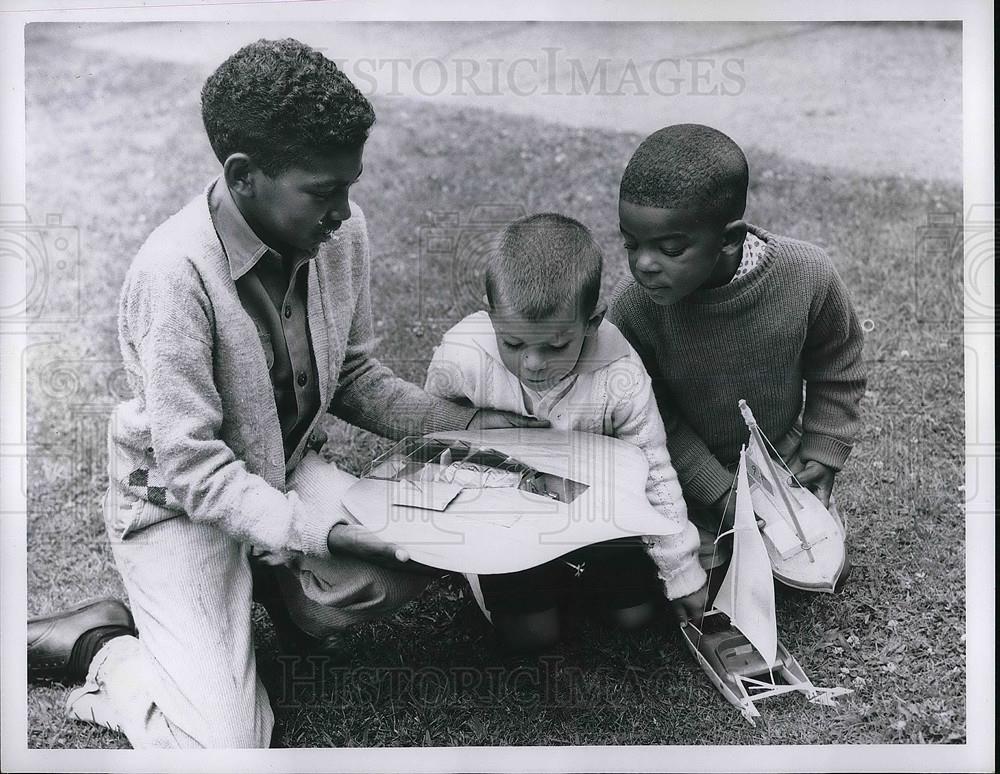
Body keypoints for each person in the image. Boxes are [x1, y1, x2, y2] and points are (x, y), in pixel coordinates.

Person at [26, 38, 544, 749]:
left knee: (420, 556)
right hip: (180, 509)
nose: (345, 210)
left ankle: (279, 589)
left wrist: (473, 427)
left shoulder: (342, 231)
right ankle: (105, 650)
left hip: (284, 473)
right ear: (243, 176)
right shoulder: (173, 275)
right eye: (325, 190)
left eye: (350, 185)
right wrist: (319, 532)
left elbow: (355, 376)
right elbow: (195, 471)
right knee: (227, 748)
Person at [424, 213, 709, 652]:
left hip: (594, 519)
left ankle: (576, 573)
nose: (533, 364)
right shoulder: (463, 356)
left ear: (592, 322)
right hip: (504, 521)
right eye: (513, 343)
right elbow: (430, 436)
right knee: (533, 639)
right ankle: (491, 580)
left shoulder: (621, 374)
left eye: (555, 346)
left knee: (634, 617)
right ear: (490, 316)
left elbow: (653, 470)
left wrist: (681, 572)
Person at [608, 123, 866, 574]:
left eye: (669, 249)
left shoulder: (807, 276)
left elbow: (837, 364)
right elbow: (650, 417)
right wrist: (718, 494)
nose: (644, 264)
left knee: (821, 570)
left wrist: (822, 453)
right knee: (697, 569)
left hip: (777, 462)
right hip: (680, 475)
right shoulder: (632, 310)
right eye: (631, 244)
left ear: (730, 238)